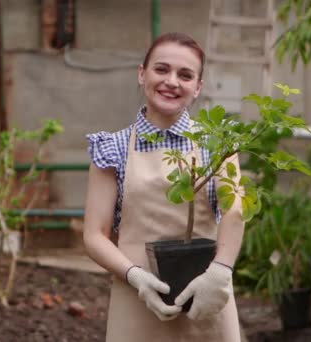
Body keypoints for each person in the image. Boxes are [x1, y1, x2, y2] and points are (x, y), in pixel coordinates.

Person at [83, 32, 245, 342]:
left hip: (206, 302)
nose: (172, 81)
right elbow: (94, 235)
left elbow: (234, 210)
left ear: (197, 88)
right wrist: (136, 277)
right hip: (136, 302)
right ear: (142, 74)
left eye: (185, 75)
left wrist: (220, 272)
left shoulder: (217, 144)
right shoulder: (112, 147)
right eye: (161, 69)